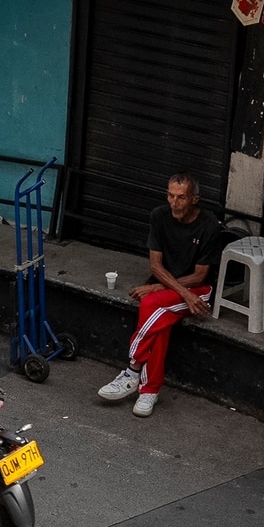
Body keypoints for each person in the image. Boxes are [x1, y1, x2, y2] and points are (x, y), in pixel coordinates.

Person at [96, 171, 223, 419]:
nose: (174, 203)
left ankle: (133, 369)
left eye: (181, 198)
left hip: (198, 291)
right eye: (171, 196)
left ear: (194, 199)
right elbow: (155, 266)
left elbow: (199, 276)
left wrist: (162, 288)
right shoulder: (159, 216)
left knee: (150, 304)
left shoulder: (208, 225)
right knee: (160, 321)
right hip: (174, 289)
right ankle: (149, 390)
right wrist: (172, 289)